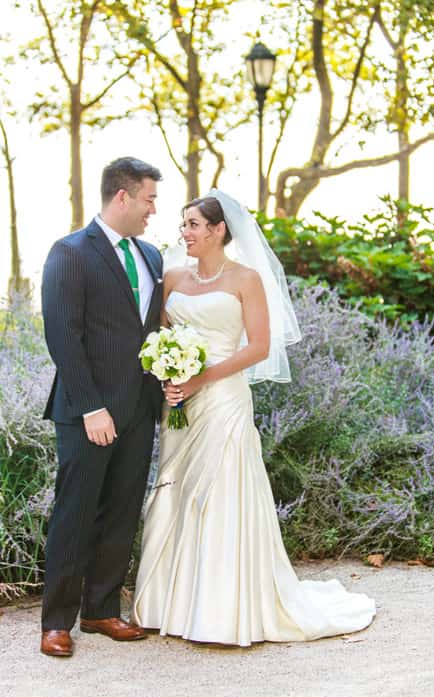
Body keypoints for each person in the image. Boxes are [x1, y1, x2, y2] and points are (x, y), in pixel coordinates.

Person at [130, 190, 377, 645]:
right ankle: (168, 602)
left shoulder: (245, 279)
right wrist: (170, 369)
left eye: (193, 225)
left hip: (223, 397)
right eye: (183, 225)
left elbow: (259, 347)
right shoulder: (173, 278)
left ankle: (221, 610)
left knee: (221, 490)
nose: (184, 233)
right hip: (179, 399)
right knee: (176, 487)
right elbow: (163, 332)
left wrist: (202, 377)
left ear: (218, 229)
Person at [40, 157, 164, 657]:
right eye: (149, 199)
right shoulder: (70, 252)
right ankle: (56, 621)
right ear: (122, 196)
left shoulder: (153, 256)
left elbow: (152, 331)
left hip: (139, 407)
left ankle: (101, 609)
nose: (154, 210)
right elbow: (62, 335)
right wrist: (92, 407)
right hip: (87, 411)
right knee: (75, 511)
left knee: (121, 510)